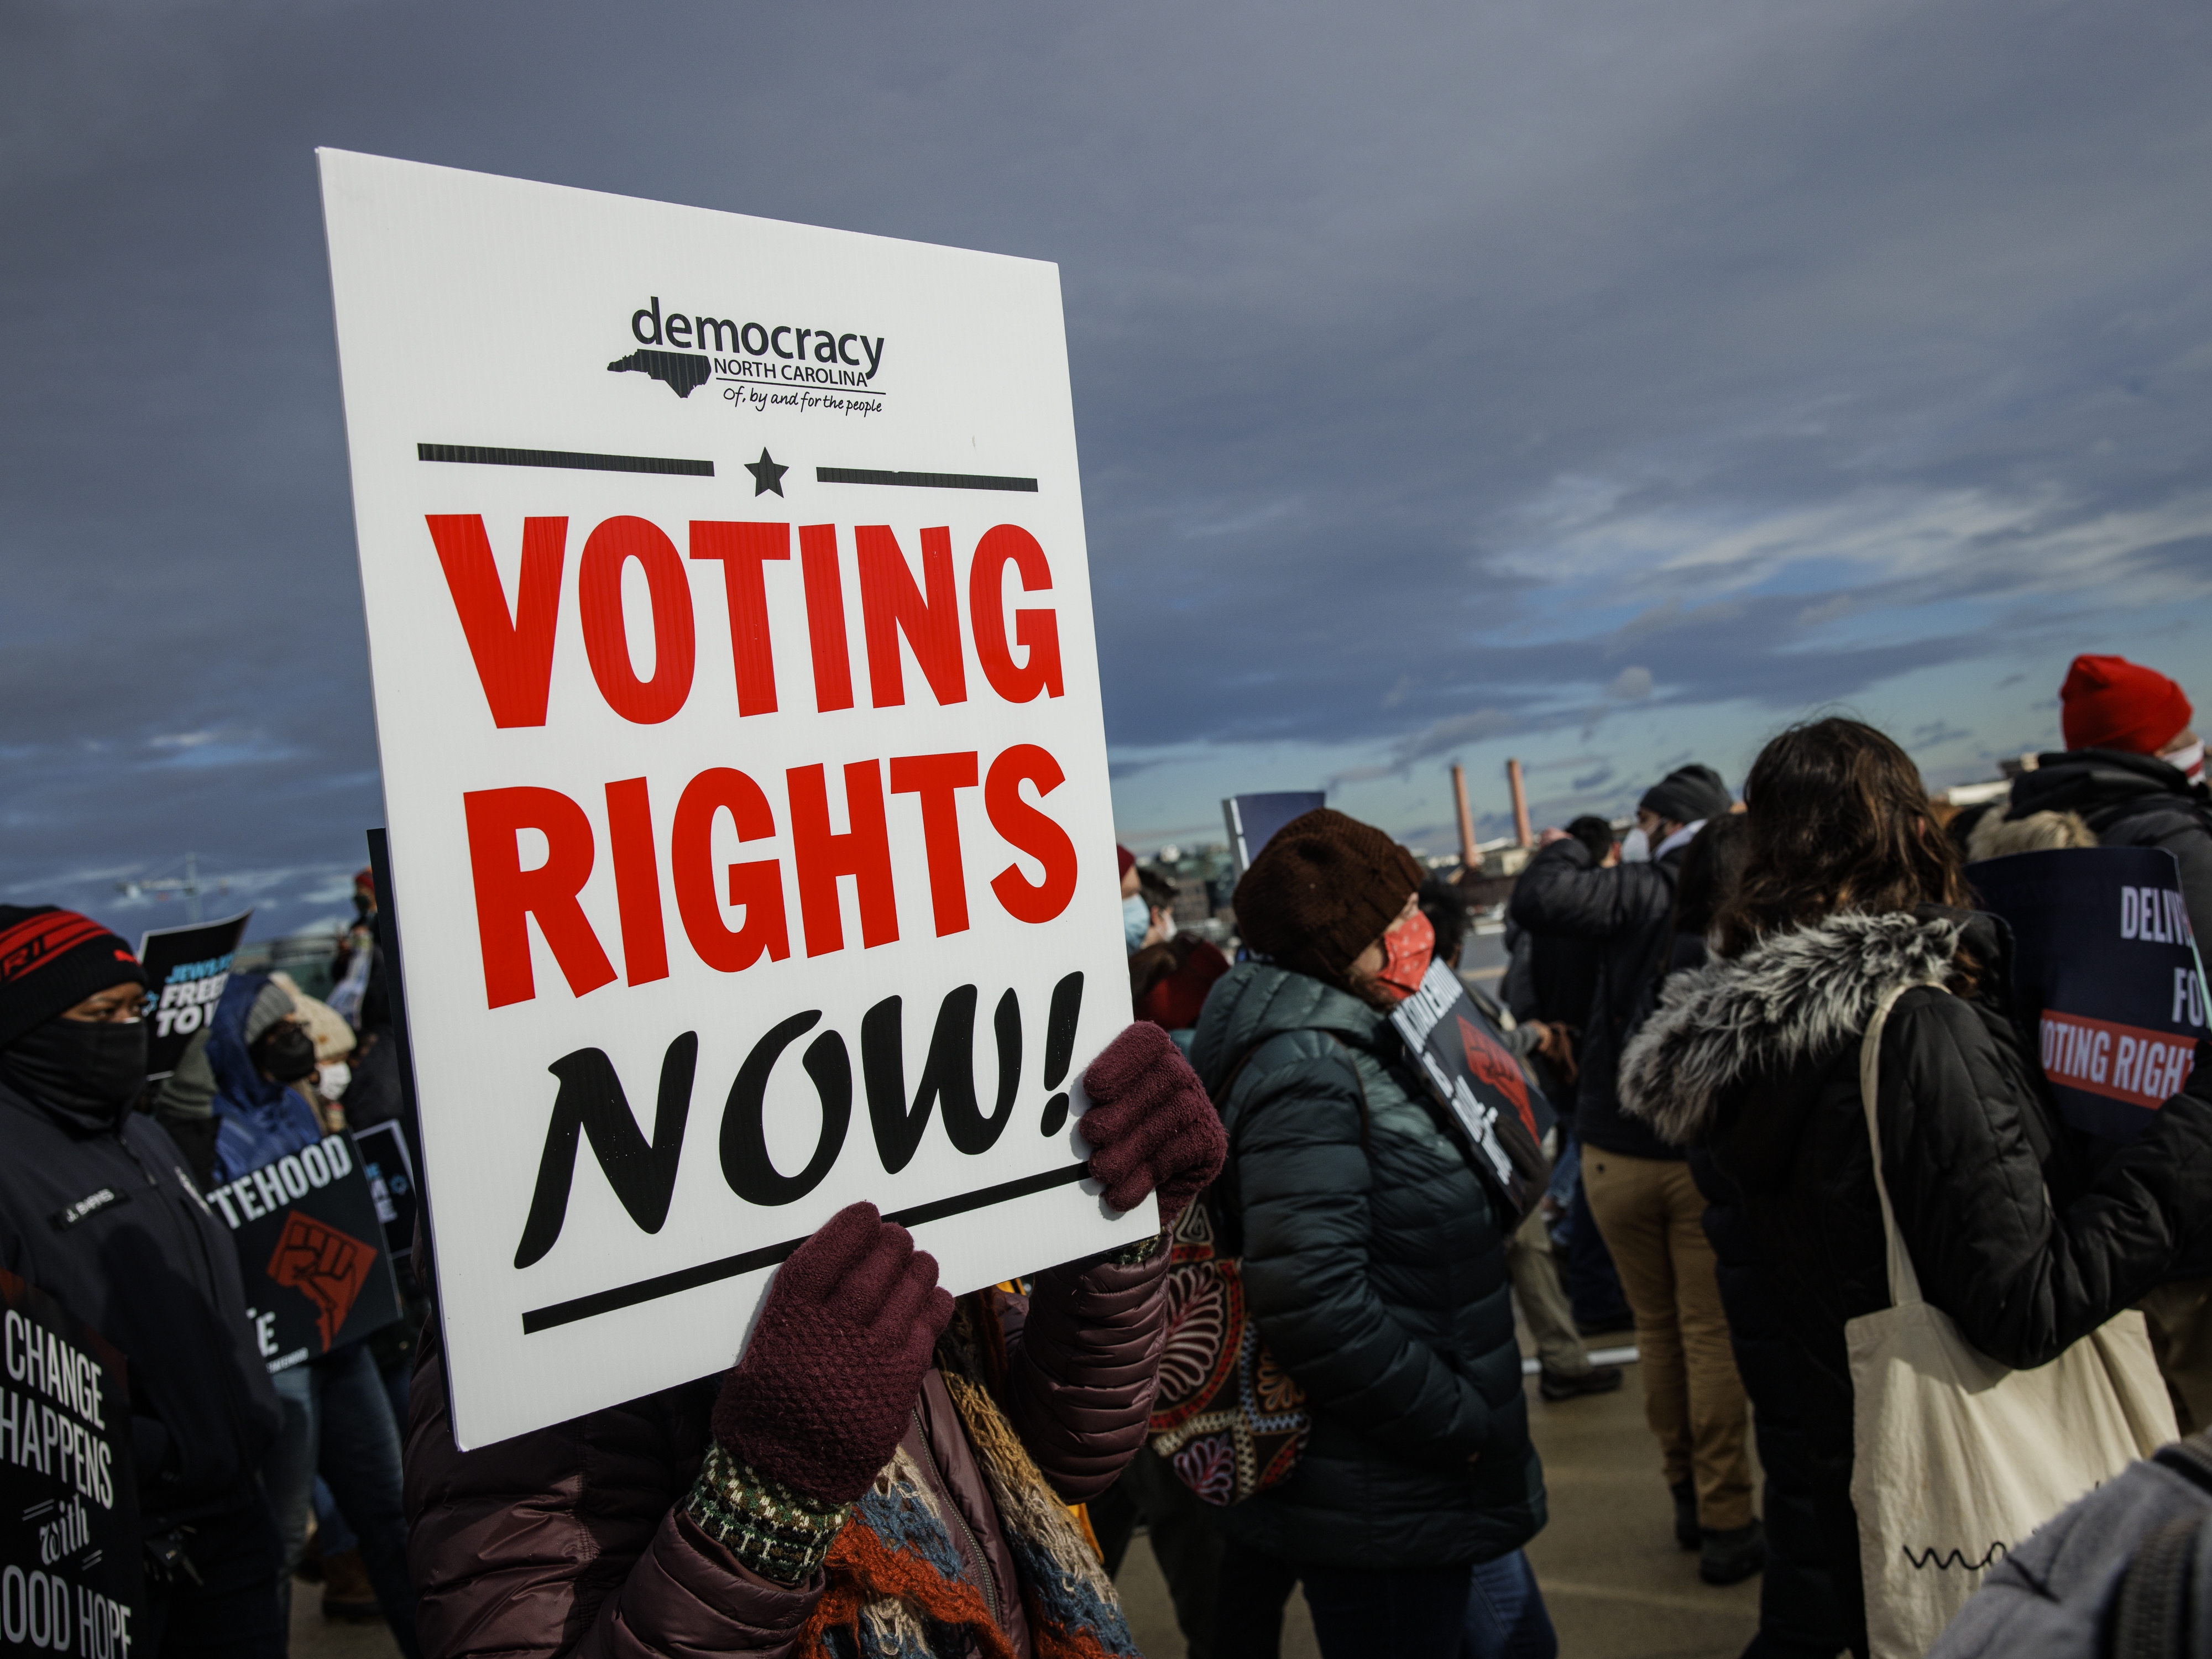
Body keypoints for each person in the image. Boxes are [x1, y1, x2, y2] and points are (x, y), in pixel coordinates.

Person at [1618, 716, 2212, 1658]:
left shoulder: (1754, 1049)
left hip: (1872, 1491)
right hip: (2001, 1510)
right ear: (1904, 831)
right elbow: (2027, 1303)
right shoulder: (1920, 1029)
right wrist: (2195, 1125)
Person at [404, 1019, 1225, 1658]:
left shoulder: (900, 1156)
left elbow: (1066, 1451)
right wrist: (766, 1497)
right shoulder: (535, 1278)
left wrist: (1117, 1231)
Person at [1191, 809, 1551, 1659]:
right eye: (1392, 920)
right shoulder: (1308, 1068)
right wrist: (1457, 1416)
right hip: (1383, 1484)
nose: (1415, 931)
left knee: (1522, 1647)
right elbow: (1311, 1295)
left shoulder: (1375, 1034)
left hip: (1425, 1478)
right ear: (1335, 945)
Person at [0, 905, 286, 1655]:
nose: (128, 1030)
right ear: (24, 1024)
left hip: (234, 1521)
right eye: (102, 1013)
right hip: (124, 1547)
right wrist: (158, 1450)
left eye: (136, 1010)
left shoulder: (141, 1129)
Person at [1509, 766, 1761, 1584]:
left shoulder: (1633, 892)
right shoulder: (1743, 893)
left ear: (1659, 823)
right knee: (1709, 1334)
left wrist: (1573, 847)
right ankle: (1728, 1519)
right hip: (1701, 1153)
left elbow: (1540, 903)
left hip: (1613, 1145)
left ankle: (1683, 1492)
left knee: (1655, 1332)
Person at [1995, 656, 2212, 1433]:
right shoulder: (2181, 850)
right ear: (2158, 748)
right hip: (2187, 1205)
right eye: (2191, 733)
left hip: (2093, 1221)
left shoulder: (2027, 850)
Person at [1665, 818, 1847, 1658]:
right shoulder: (1798, 1019)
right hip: (1808, 1300)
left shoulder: (1702, 1009)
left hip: (1759, 1289)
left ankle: (1707, 1507)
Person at [204, 972, 425, 1656]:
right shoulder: (214, 1134)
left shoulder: (296, 1105)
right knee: (277, 1530)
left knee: (391, 1511)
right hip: (281, 1360)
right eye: (275, 1035)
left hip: (343, 1339)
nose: (295, 1042)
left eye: (293, 1028)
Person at [1424, 877, 1618, 1406]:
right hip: (1493, 1148)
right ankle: (1562, 1364)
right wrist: (1537, 1035)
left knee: (1520, 1259)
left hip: (1473, 1151)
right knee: (1526, 1254)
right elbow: (1484, 1051)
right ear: (1456, 945)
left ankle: (1558, 1362)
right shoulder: (1445, 993)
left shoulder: (1421, 994)